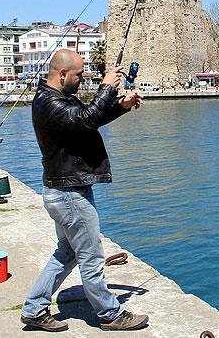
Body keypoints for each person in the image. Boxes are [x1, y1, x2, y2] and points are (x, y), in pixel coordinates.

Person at [20, 49, 146, 333]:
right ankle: (110, 313)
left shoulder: (56, 99)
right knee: (91, 256)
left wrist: (121, 105)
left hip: (62, 190)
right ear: (62, 74)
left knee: (66, 253)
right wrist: (106, 87)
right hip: (69, 194)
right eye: (78, 75)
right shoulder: (49, 103)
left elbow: (86, 121)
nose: (81, 80)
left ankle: (34, 308)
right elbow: (87, 119)